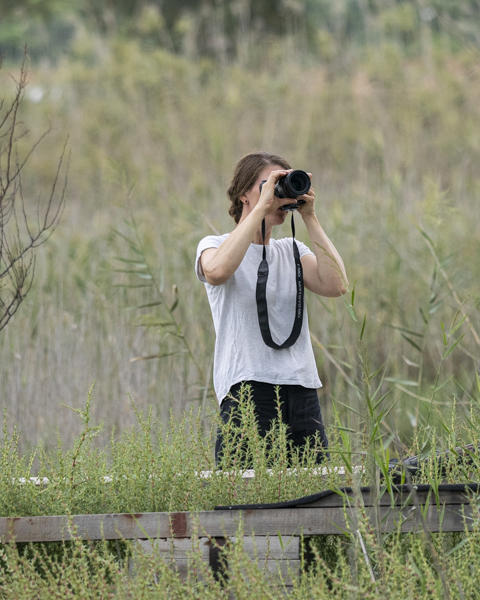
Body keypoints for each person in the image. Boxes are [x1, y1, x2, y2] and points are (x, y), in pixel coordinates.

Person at [195, 151, 348, 465]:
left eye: (284, 183)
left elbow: (337, 285)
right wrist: (263, 207)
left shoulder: (292, 250)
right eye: (269, 184)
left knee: (313, 497)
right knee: (243, 499)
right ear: (244, 195)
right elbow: (217, 272)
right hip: (247, 390)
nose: (279, 193)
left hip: (302, 389)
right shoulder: (213, 244)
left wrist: (310, 216)